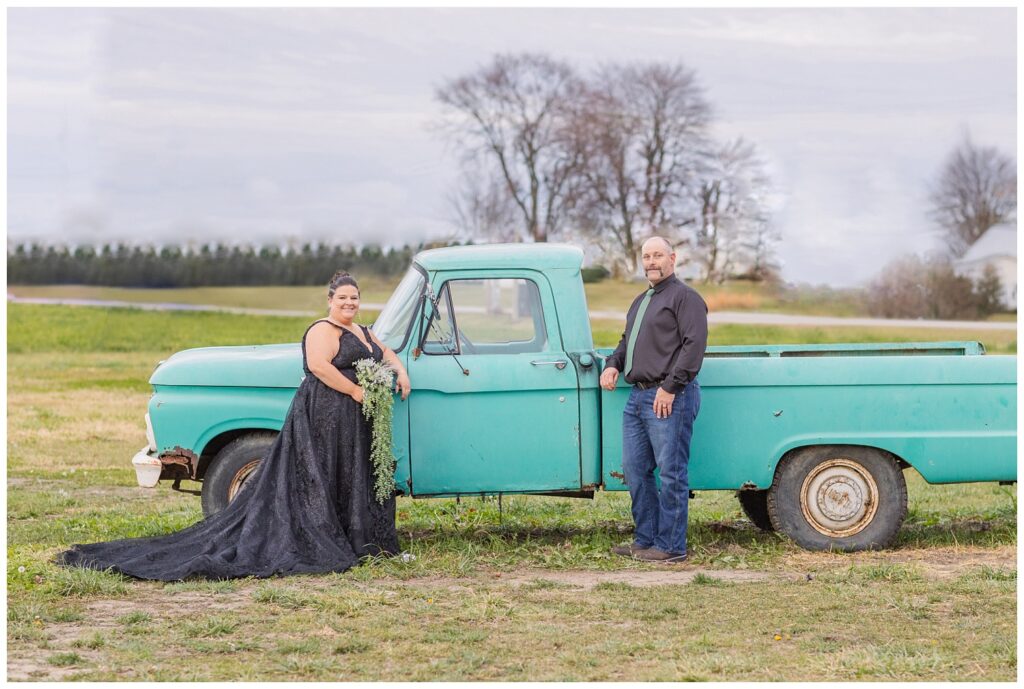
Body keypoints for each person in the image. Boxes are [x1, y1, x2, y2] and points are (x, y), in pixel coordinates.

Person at [56, 271, 412, 580]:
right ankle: (323, 534)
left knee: (348, 473)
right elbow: (320, 366)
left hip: (353, 418)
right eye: (343, 297)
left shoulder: (363, 331)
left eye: (354, 298)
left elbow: (385, 353)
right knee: (321, 471)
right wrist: (355, 390)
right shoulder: (324, 329)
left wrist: (401, 372)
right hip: (327, 412)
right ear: (330, 299)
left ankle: (355, 534)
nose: (349, 303)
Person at [601, 237, 707, 564]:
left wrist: (671, 387)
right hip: (637, 398)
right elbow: (627, 341)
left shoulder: (685, 298)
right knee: (634, 470)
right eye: (646, 256)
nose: (651, 261)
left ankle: (671, 546)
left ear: (672, 258)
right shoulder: (642, 300)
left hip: (668, 397)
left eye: (658, 255)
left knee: (671, 472)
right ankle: (645, 539)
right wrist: (612, 364)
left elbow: (694, 346)